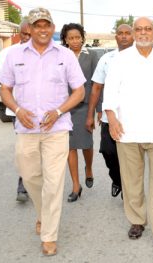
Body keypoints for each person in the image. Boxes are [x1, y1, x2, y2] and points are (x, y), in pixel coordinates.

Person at [0, 7, 85, 256]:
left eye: (47, 25)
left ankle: (49, 234)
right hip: (26, 129)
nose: (43, 29)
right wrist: (16, 108)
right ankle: (42, 214)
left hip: (56, 129)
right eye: (38, 25)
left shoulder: (65, 56)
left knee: (54, 182)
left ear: (53, 28)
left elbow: (79, 91)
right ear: (31, 28)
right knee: (31, 177)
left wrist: (58, 111)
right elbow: (5, 89)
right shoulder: (14, 54)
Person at [103, 17, 153, 249]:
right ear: (134, 32)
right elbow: (110, 91)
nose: (143, 33)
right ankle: (137, 220)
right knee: (131, 180)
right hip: (127, 130)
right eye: (139, 29)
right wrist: (111, 119)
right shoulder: (121, 59)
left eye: (148, 29)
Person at [85, 24, 134, 198]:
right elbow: (96, 87)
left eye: (128, 33)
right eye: (120, 33)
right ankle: (118, 180)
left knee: (131, 158)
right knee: (108, 151)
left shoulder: (142, 58)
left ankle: (129, 190)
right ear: (116, 37)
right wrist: (90, 114)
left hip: (134, 118)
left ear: (133, 35)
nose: (124, 36)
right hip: (109, 117)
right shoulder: (107, 59)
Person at [0, 19, 32, 203]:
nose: (27, 38)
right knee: (25, 150)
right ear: (19, 34)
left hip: (44, 112)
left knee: (39, 151)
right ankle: (23, 185)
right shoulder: (8, 53)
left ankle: (36, 183)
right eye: (24, 34)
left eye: (30, 35)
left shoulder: (46, 53)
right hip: (19, 112)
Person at [60, 23, 99, 202]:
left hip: (85, 106)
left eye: (78, 37)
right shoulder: (60, 56)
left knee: (86, 144)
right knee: (70, 146)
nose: (75, 41)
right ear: (65, 40)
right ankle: (76, 185)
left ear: (82, 37)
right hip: (65, 107)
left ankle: (88, 168)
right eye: (71, 38)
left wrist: (97, 110)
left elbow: (98, 84)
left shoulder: (91, 56)